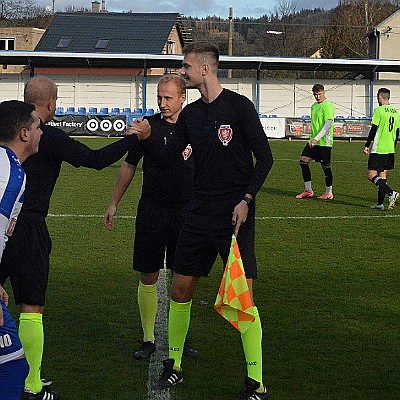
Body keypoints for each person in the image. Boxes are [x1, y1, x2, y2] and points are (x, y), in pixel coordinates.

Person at [131, 41, 274, 400]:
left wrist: (246, 200)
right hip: (197, 215)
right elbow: (166, 151)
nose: (183, 72)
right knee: (180, 291)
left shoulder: (240, 107)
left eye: (186, 67)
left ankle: (256, 383)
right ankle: (174, 365)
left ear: (205, 69)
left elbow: (266, 159)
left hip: (235, 218)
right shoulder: (192, 115)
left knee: (244, 301)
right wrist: (145, 137)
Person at [0, 76, 138, 400]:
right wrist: (132, 139)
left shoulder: (6, 128)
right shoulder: (46, 136)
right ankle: (31, 386)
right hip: (27, 227)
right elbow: (96, 160)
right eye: (56, 99)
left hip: (5, 224)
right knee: (31, 307)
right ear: (48, 103)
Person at [104, 74, 197, 360]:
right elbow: (129, 166)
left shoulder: (193, 127)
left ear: (183, 97)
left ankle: (180, 337)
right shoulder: (148, 125)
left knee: (185, 278)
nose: (163, 102)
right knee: (149, 273)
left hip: (186, 211)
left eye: (168, 97)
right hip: (152, 210)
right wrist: (114, 203)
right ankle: (148, 338)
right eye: (159, 97)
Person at [0, 100, 43, 400]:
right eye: (38, 126)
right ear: (24, 134)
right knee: (13, 368)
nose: (42, 132)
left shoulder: (8, 166)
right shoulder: (9, 174)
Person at [296, 83, 335, 200]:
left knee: (325, 167)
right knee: (303, 161)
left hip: (324, 142)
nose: (317, 97)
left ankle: (329, 193)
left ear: (324, 92)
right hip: (313, 141)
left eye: (319, 94)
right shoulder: (313, 106)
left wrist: (316, 138)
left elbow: (328, 125)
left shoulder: (328, 105)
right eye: (315, 95)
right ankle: (308, 190)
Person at [363, 87, 400, 210]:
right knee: (382, 175)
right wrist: (393, 146)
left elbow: (373, 129)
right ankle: (380, 203)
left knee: (371, 175)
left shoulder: (378, 110)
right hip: (390, 148)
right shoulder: (396, 112)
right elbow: (397, 132)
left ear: (379, 97)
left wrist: (367, 145)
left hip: (379, 148)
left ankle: (391, 193)